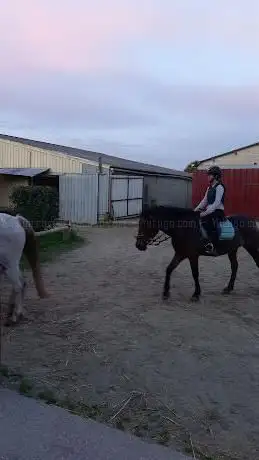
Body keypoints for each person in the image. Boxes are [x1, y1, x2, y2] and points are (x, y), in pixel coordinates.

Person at [194, 165, 226, 254]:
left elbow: (216, 204)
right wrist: (195, 211)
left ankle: (212, 245)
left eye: (210, 175)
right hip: (209, 211)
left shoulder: (220, 187)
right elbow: (204, 201)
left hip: (217, 211)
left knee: (208, 223)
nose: (208, 177)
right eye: (208, 175)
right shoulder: (209, 188)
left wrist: (202, 214)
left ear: (215, 176)